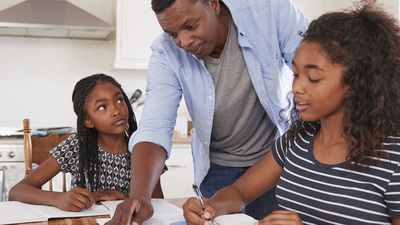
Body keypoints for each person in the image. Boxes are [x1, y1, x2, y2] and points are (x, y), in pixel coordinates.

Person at [182, 0, 400, 224]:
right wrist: (211, 206)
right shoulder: (295, 142)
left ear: (356, 82)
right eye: (295, 74)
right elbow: (239, 191)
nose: (296, 87)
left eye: (313, 78)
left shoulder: (393, 159)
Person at [106, 0, 309, 224]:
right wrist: (140, 195)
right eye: (172, 33)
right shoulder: (166, 52)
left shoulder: (270, 12)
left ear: (213, 4)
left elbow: (317, 69)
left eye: (191, 26)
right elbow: (154, 127)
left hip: (274, 161)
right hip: (217, 168)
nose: (183, 42)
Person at [9, 73, 163, 212]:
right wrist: (59, 198)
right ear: (88, 120)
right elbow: (17, 191)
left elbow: (158, 203)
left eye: (119, 99)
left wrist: (122, 197)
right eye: (102, 107)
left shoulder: (143, 148)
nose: (116, 110)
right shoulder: (76, 146)